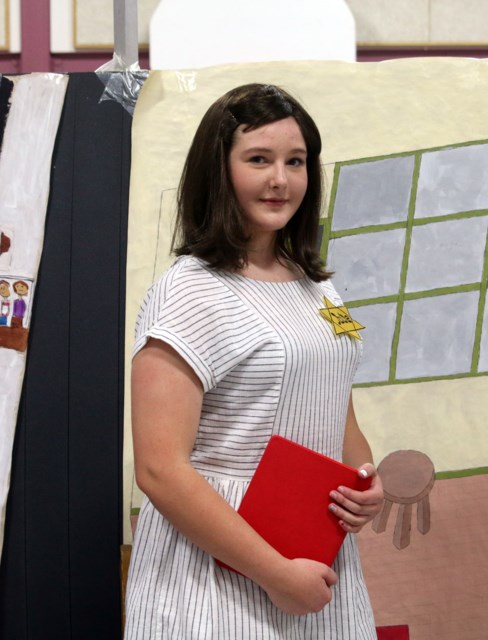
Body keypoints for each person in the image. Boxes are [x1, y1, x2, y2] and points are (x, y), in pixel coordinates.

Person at [125, 83, 383, 639]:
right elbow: (159, 469)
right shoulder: (189, 292)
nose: (280, 180)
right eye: (258, 159)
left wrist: (365, 484)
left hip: (313, 560)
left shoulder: (322, 290)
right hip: (217, 572)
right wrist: (273, 573)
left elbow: (337, 408)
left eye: (295, 162)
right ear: (218, 171)